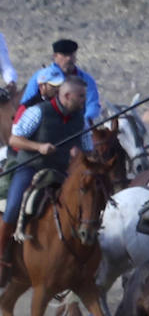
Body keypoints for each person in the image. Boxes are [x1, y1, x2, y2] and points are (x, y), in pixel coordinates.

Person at [0, 78, 90, 286]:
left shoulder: (81, 120)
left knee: (87, 205)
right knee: (13, 207)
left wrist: (81, 154)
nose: (84, 100)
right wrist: (38, 147)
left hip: (63, 172)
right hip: (31, 168)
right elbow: (15, 140)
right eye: (81, 96)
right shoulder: (38, 112)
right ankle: (2, 253)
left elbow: (88, 150)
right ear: (67, 96)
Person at [20, 39, 101, 123]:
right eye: (65, 55)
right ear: (55, 56)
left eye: (72, 55)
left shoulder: (87, 79)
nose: (69, 58)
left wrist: (84, 123)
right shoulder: (40, 76)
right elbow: (26, 103)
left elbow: (92, 105)